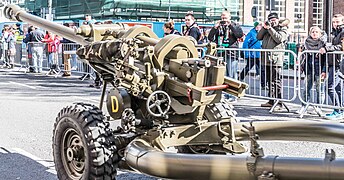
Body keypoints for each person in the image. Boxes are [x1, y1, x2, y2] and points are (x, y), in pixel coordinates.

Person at [257, 12, 289, 110]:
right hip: (266, 58)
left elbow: (279, 39)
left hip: (276, 59)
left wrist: (270, 29)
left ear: (278, 19)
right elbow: (258, 37)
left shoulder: (283, 29)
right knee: (269, 81)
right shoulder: (267, 29)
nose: (272, 21)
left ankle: (279, 103)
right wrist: (264, 27)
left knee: (276, 81)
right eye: (271, 19)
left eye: (274, 19)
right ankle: (271, 101)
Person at [319, 14, 344, 120]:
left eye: (337, 22)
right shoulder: (334, 33)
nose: (335, 24)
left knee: (330, 87)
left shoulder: (342, 32)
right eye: (334, 22)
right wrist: (325, 69)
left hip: (338, 64)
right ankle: (339, 110)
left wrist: (328, 48)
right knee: (338, 89)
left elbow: (341, 47)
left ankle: (338, 110)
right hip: (331, 63)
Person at [297, 26, 327, 115]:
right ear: (310, 33)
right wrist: (301, 66)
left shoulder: (324, 44)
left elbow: (326, 60)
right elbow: (303, 57)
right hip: (308, 69)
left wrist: (324, 71)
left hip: (319, 70)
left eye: (317, 32)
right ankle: (304, 106)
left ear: (320, 33)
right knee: (306, 89)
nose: (314, 33)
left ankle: (318, 108)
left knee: (320, 90)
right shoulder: (306, 43)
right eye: (313, 32)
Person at [208, 10, 243, 80]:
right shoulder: (219, 26)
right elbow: (210, 37)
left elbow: (239, 35)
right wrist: (214, 28)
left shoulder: (235, 25)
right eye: (222, 18)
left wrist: (230, 25)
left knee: (231, 74)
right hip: (221, 52)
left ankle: (234, 89)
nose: (224, 20)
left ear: (229, 18)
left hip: (231, 53)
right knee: (221, 73)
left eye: (225, 18)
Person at [239, 21, 264, 86]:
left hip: (259, 54)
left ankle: (263, 84)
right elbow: (245, 43)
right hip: (252, 54)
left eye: (261, 25)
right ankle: (240, 79)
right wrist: (246, 53)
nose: (260, 27)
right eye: (259, 25)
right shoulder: (251, 33)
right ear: (256, 26)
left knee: (262, 69)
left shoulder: (262, 33)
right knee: (248, 67)